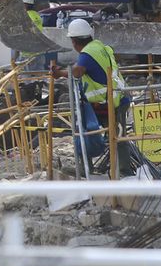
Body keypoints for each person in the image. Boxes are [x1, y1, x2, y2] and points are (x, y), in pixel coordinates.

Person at [54, 18, 129, 168]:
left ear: (74, 41)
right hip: (119, 98)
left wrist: (60, 73)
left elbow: (77, 72)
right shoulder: (98, 46)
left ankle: (86, 167)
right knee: (118, 137)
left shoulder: (87, 54)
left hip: (105, 103)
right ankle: (123, 170)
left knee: (82, 130)